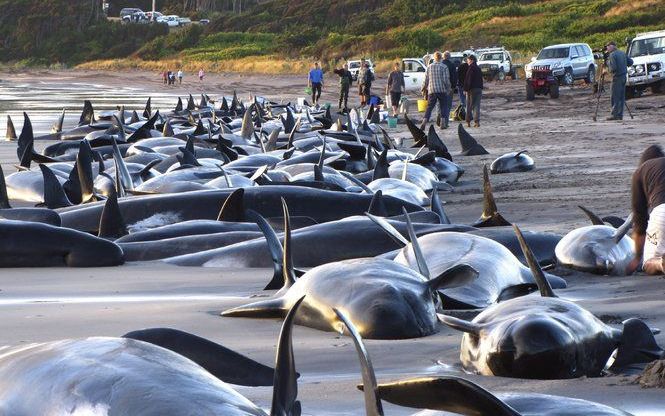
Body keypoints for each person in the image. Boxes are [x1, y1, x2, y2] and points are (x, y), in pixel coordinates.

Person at [628, 145, 665, 275]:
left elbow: (640, 221)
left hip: (662, 211)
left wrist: (637, 257)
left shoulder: (640, 171)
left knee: (648, 264)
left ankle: (660, 264)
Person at [419, 51, 451, 131]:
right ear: (441, 58)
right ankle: (442, 123)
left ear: (434, 58)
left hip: (432, 90)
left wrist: (423, 88)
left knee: (429, 107)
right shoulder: (444, 67)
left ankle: (424, 122)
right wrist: (448, 88)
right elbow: (445, 80)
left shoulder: (429, 67)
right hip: (441, 90)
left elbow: (426, 79)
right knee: (443, 106)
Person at [606, 41, 628, 121]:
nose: (607, 48)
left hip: (617, 78)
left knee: (615, 97)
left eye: (607, 46)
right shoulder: (622, 53)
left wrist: (608, 66)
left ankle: (614, 115)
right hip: (624, 77)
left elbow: (613, 68)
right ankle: (620, 115)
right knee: (621, 97)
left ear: (612, 46)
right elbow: (630, 62)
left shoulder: (612, 55)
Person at [464, 54, 483, 127]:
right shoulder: (478, 68)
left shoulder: (471, 68)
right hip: (479, 89)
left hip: (471, 90)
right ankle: (477, 122)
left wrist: (466, 89)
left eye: (468, 60)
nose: (467, 61)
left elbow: (468, 80)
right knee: (477, 105)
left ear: (472, 60)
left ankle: (468, 122)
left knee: (469, 106)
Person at [440, 51, 458, 129]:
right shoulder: (452, 65)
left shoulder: (440, 65)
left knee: (440, 105)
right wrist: (454, 86)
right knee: (447, 105)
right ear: (449, 57)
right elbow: (454, 77)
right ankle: (445, 122)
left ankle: (440, 121)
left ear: (443, 57)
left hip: (439, 88)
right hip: (449, 87)